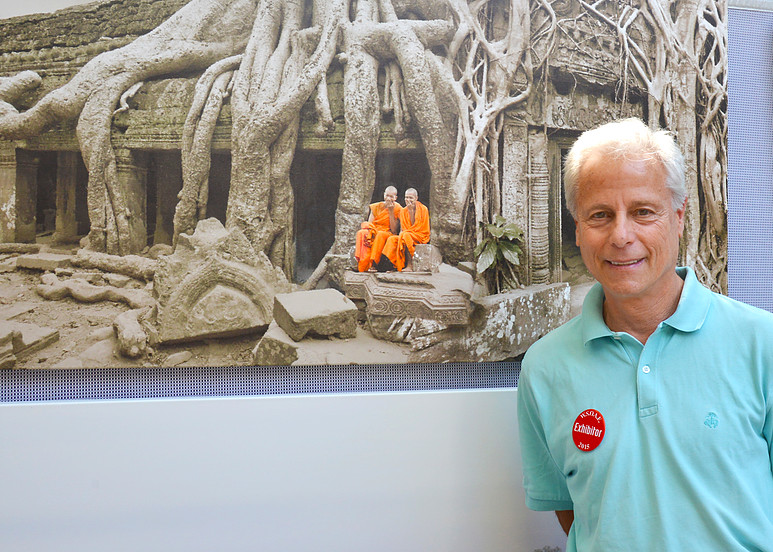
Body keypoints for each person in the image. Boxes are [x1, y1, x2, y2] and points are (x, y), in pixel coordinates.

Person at [517, 117, 773, 551]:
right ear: (577, 230)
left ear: (677, 218)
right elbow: (575, 511)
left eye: (642, 212)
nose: (621, 235)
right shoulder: (544, 369)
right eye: (600, 215)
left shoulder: (761, 344)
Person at [355, 185, 402, 272]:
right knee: (361, 233)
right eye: (387, 195)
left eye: (391, 196)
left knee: (380, 235)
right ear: (384, 195)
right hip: (375, 230)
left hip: (387, 232)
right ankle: (360, 262)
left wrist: (391, 211)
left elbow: (394, 230)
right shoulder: (376, 206)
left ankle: (373, 264)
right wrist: (370, 232)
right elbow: (370, 224)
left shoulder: (398, 208)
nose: (388, 198)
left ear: (395, 198)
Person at [383, 188, 430, 271]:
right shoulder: (403, 211)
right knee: (392, 239)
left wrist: (411, 211)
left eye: (411, 198)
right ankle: (394, 265)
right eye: (406, 197)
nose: (408, 200)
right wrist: (401, 235)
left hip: (420, 235)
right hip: (406, 234)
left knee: (406, 235)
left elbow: (418, 227)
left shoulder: (423, 209)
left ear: (416, 198)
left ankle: (410, 265)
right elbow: (402, 228)